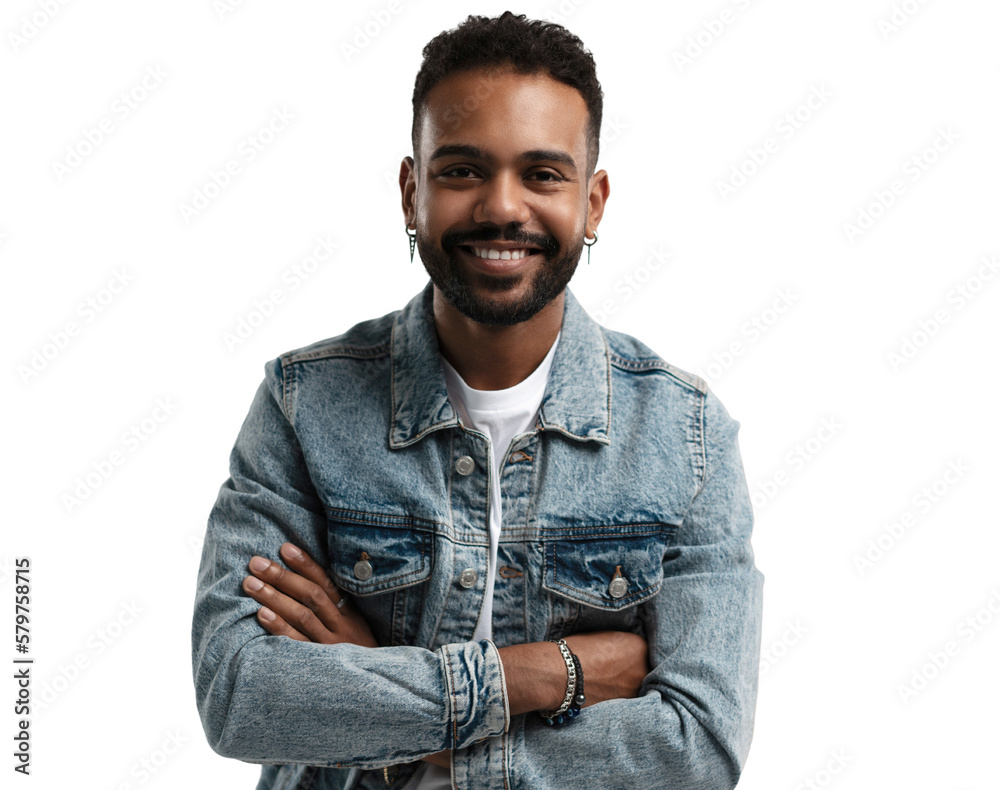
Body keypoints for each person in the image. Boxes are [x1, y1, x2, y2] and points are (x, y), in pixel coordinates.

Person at [192, 11, 764, 790]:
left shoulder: (686, 433)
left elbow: (697, 751)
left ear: (592, 203)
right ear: (410, 191)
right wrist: (544, 674)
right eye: (462, 170)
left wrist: (378, 693)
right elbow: (240, 697)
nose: (503, 207)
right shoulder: (304, 407)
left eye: (543, 174)